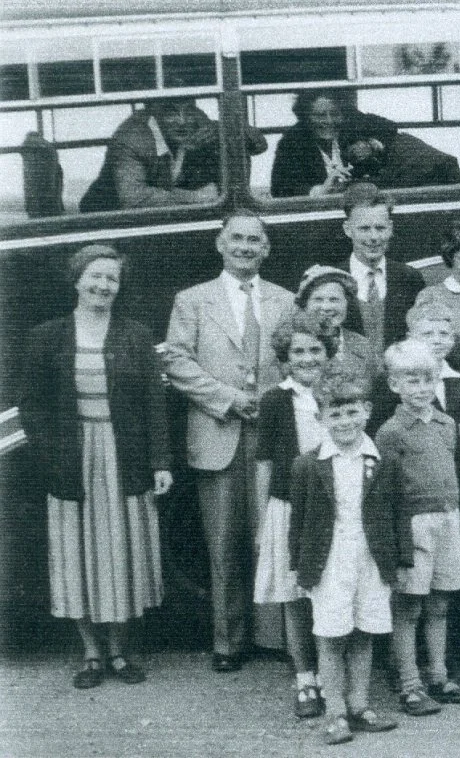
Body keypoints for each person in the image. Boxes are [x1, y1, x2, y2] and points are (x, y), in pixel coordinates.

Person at [20, 245, 172, 689]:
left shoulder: (135, 335)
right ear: (77, 280)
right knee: (76, 555)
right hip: (71, 458)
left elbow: (154, 405)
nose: (103, 285)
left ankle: (121, 653)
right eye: (96, 277)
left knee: (123, 553)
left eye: (112, 279)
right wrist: (50, 457)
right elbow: (32, 405)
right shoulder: (46, 336)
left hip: (124, 454)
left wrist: (160, 460)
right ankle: (90, 653)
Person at [164, 211, 295, 672]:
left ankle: (275, 638)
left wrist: (274, 401)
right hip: (218, 431)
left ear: (266, 249)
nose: (245, 247)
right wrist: (227, 398)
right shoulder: (193, 300)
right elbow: (175, 360)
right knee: (223, 543)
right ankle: (229, 643)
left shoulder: (285, 300)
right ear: (220, 244)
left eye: (254, 240)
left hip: (272, 435)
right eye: (236, 238)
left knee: (270, 537)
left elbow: (297, 359)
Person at [288, 367, 408, 745]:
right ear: (321, 417)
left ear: (367, 411)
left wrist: (401, 561)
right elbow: (300, 521)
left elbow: (397, 512)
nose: (344, 421)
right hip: (329, 558)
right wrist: (299, 567)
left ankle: (359, 705)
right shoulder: (308, 464)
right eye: (335, 414)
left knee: (365, 631)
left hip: (372, 557)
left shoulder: (382, 460)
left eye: (352, 412)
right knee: (330, 635)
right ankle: (335, 711)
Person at [377, 341, 460, 715]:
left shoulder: (445, 424)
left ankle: (439, 676)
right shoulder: (391, 432)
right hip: (412, 527)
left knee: (440, 602)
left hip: (446, 521)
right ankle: (409, 683)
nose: (421, 389)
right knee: (408, 607)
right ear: (394, 385)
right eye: (411, 381)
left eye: (427, 380)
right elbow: (385, 491)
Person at [252, 311, 333, 718]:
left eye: (315, 349)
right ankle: (305, 678)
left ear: (327, 352)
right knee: (296, 597)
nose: (307, 358)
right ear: (285, 357)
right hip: (289, 508)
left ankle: (334, 675)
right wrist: (261, 519)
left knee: (332, 591)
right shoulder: (275, 400)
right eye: (297, 351)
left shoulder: (337, 395)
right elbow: (264, 463)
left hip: (337, 509)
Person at [80, 98, 266, 212]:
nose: (182, 121)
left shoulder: (196, 122)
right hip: (106, 216)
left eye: (189, 110)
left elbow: (258, 144)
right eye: (170, 112)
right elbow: (134, 199)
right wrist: (197, 198)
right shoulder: (132, 137)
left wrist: (222, 129)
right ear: (153, 112)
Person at [339, 184, 425, 354]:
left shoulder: (410, 278)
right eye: (364, 228)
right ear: (348, 229)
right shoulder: (334, 280)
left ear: (390, 228)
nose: (373, 237)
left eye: (380, 228)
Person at [270, 89, 397, 198]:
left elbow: (389, 127)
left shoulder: (351, 123)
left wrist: (371, 145)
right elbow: (279, 189)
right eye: (320, 115)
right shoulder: (291, 141)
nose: (329, 121)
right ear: (306, 117)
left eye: (335, 114)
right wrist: (320, 190)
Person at [296, 264, 375, 367]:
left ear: (347, 303)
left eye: (334, 300)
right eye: (318, 299)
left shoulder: (363, 345)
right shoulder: (292, 343)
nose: (326, 307)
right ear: (305, 304)